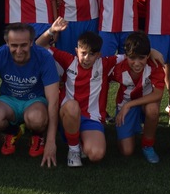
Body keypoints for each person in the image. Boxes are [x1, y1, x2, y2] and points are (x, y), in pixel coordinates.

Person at [0, 23, 60, 166]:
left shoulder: (44, 57)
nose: (19, 50)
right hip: (9, 101)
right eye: (14, 45)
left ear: (31, 43)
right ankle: (14, 131)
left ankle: (38, 135)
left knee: (36, 118)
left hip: (35, 101)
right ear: (7, 43)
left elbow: (53, 101)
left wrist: (51, 142)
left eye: (24, 45)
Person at [37, 19, 117, 168]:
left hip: (92, 118)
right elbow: (38, 46)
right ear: (76, 51)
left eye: (92, 54)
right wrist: (51, 31)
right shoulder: (68, 61)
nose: (86, 58)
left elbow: (132, 56)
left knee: (96, 154)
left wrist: (151, 51)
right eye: (83, 53)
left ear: (98, 55)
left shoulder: (105, 64)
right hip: (67, 113)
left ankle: (80, 141)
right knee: (73, 106)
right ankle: (73, 150)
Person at [110, 31, 166, 163]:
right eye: (132, 58)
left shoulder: (154, 64)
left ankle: (148, 145)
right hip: (125, 103)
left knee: (153, 110)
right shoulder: (117, 65)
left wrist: (129, 105)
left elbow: (158, 94)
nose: (136, 63)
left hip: (140, 103)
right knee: (126, 151)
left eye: (141, 58)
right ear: (126, 56)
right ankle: (132, 129)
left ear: (148, 56)